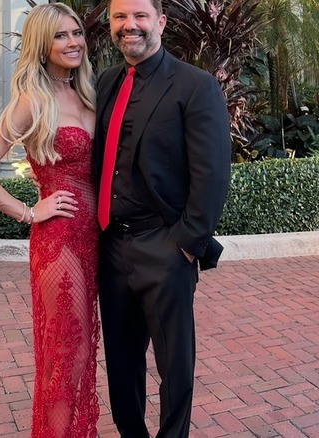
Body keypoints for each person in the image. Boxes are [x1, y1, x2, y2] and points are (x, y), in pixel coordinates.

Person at [0, 4, 100, 437]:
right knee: (68, 353)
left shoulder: (90, 94)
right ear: (41, 45)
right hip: (60, 239)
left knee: (81, 351)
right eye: (60, 36)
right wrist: (30, 212)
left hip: (97, 238)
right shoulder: (32, 101)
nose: (73, 42)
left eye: (76, 33)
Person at [95, 0, 231, 436]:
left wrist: (186, 245)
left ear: (161, 22)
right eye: (120, 17)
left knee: (174, 366)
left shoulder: (195, 86)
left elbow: (212, 174)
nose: (129, 25)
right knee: (121, 362)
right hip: (111, 246)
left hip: (164, 246)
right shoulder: (105, 82)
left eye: (140, 16)